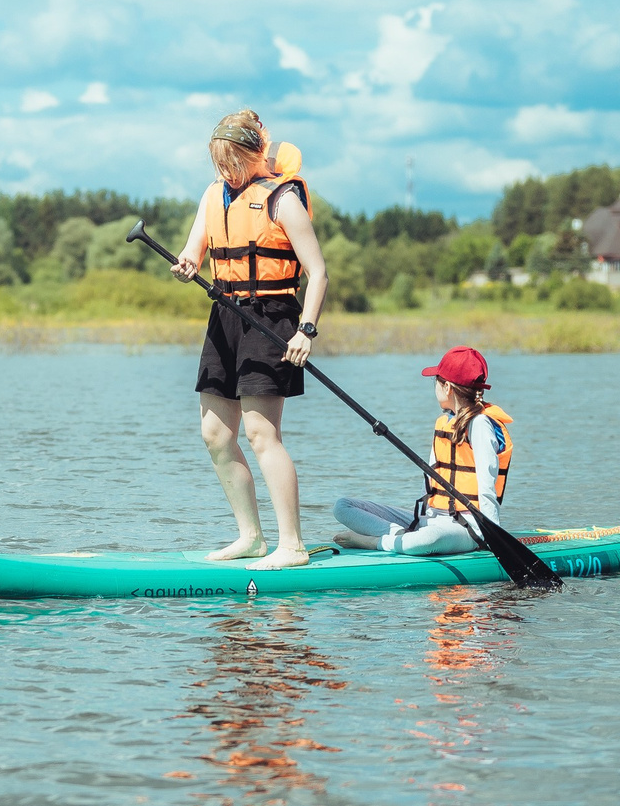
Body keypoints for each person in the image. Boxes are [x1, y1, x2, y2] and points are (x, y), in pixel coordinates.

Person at [170, 110, 329, 570]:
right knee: (216, 434)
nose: (225, 171)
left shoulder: (282, 198)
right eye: (219, 163)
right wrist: (185, 265)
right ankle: (251, 537)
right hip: (225, 316)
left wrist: (306, 329)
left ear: (254, 153)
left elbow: (317, 272)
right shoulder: (212, 195)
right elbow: (193, 252)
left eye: (231, 161)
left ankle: (292, 544)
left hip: (273, 318)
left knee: (262, 434)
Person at [333, 346, 513, 556]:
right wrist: (420, 519)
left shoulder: (480, 424)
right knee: (343, 507)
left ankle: (376, 542)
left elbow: (486, 487)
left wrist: (492, 536)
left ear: (447, 387)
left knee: (429, 539)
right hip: (427, 520)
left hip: (466, 529)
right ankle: (403, 538)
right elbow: (427, 482)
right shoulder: (445, 421)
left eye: (435, 380)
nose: (433, 386)